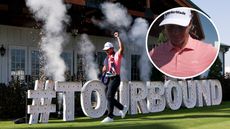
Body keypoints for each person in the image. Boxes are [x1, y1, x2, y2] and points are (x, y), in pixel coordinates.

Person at [149, 8, 218, 78]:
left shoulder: (209, 52)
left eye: (181, 27)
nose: (175, 32)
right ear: (165, 27)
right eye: (170, 26)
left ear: (190, 24)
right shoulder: (154, 54)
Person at [101, 32, 128, 123]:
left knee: (109, 96)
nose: (106, 51)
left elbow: (122, 48)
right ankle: (122, 108)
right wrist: (104, 69)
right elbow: (105, 68)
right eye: (105, 50)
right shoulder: (106, 59)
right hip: (109, 78)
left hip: (116, 78)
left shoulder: (117, 55)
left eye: (108, 50)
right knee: (108, 96)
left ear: (112, 49)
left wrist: (118, 38)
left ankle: (110, 116)